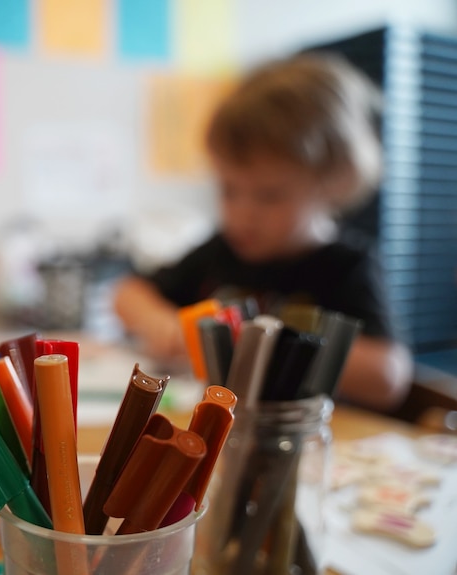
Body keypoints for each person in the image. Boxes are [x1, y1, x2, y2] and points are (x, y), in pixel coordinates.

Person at [113, 54, 412, 413]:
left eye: (269, 195)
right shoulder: (224, 249)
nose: (242, 214)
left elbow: (389, 377)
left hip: (308, 440)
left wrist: (262, 347)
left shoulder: (347, 266)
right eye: (228, 190)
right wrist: (160, 323)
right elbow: (127, 293)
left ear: (333, 183)